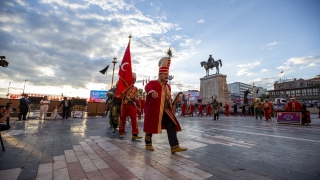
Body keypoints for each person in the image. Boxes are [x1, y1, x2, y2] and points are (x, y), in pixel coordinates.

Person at [143, 55, 187, 153]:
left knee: (171, 125)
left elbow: (167, 98)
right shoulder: (153, 83)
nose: (166, 76)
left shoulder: (168, 86)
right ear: (159, 74)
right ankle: (148, 143)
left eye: (167, 74)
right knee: (151, 126)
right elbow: (147, 88)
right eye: (164, 74)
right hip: (155, 109)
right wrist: (152, 92)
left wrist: (174, 101)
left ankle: (174, 146)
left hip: (166, 110)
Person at [118, 73, 142, 140]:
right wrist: (122, 93)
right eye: (133, 79)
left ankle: (135, 134)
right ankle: (121, 132)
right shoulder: (124, 87)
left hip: (132, 105)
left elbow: (135, 97)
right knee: (122, 119)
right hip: (124, 104)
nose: (134, 81)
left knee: (134, 119)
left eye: (135, 79)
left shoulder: (135, 88)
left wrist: (135, 101)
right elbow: (119, 95)